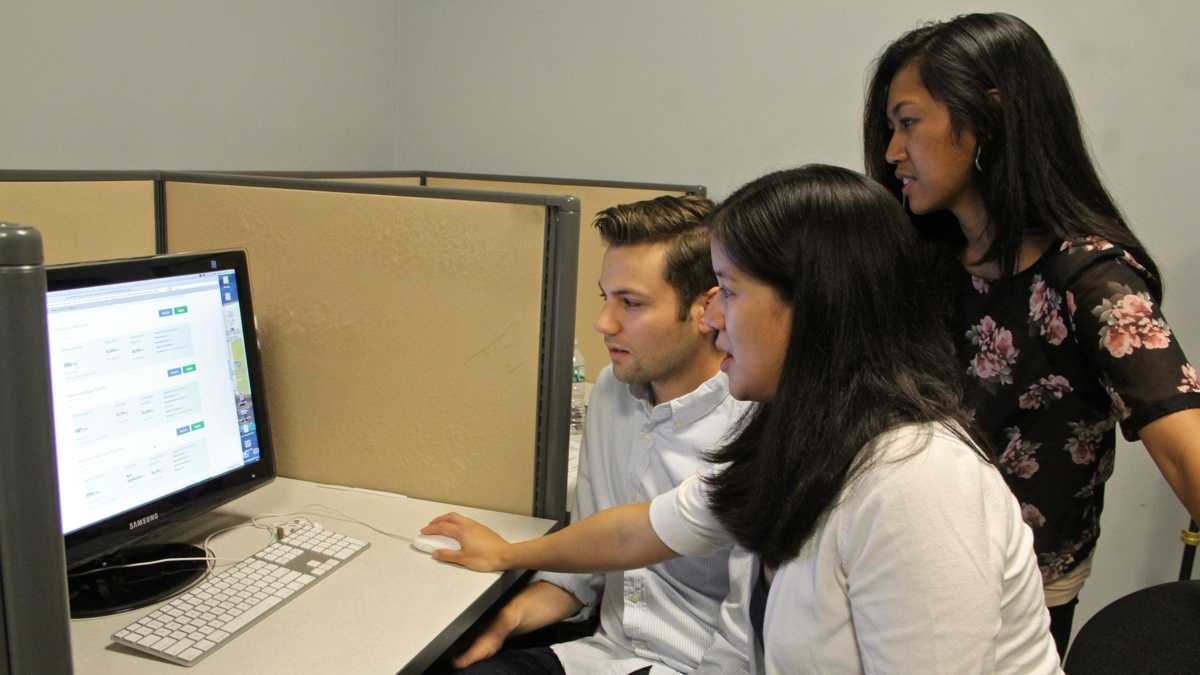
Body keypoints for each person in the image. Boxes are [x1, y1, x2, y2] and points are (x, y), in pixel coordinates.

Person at [425, 165, 1063, 674]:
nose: (711, 319)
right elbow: (638, 533)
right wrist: (509, 556)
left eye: (728, 293)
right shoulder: (798, 437)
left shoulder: (918, 483)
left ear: (809, 307)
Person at [861, 12, 1200, 655]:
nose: (891, 153)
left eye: (908, 123)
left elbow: (1186, 445)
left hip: (1015, 601)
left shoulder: (1089, 277)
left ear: (989, 119)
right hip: (897, 564)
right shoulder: (921, 261)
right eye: (889, 128)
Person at [453, 194, 752, 675]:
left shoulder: (754, 422)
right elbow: (585, 572)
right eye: (605, 297)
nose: (603, 323)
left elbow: (752, 634)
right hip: (601, 654)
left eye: (630, 303)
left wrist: (506, 554)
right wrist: (505, 620)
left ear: (706, 308)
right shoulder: (615, 391)